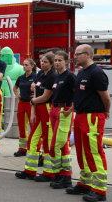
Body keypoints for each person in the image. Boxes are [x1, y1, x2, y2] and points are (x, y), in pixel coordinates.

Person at [66, 44, 110, 202]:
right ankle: (85, 183)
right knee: (82, 151)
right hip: (81, 116)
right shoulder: (81, 72)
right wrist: (72, 109)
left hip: (93, 117)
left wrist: (106, 112)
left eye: (78, 54)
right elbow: (78, 95)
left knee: (94, 151)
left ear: (87, 55)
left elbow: (105, 97)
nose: (75, 56)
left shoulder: (97, 73)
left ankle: (99, 189)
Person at [15, 52, 56, 181]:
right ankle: (30, 170)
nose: (42, 63)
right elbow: (35, 93)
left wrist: (33, 103)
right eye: (41, 61)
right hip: (37, 108)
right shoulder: (39, 74)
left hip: (47, 109)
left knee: (48, 141)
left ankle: (48, 172)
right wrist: (33, 111)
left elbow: (45, 96)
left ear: (51, 64)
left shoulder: (52, 76)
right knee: (32, 139)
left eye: (45, 62)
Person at [48, 51, 75, 189]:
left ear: (66, 62)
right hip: (54, 110)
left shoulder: (70, 76)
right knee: (63, 146)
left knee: (54, 146)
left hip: (64, 111)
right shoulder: (57, 77)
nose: (57, 62)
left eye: (60, 60)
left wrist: (71, 110)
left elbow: (78, 94)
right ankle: (66, 177)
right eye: (56, 60)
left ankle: (58, 174)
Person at [13, 58, 37, 157]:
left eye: (27, 65)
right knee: (22, 126)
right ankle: (22, 149)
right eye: (23, 64)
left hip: (31, 104)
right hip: (22, 103)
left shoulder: (35, 77)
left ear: (32, 66)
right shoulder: (21, 77)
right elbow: (15, 88)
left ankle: (32, 148)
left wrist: (35, 96)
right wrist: (17, 95)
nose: (24, 66)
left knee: (33, 126)